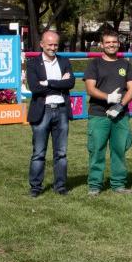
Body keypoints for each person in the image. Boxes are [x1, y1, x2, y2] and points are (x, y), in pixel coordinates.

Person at [84, 28, 132, 195]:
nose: (111, 45)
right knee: (97, 150)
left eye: (114, 42)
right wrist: (109, 98)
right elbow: (90, 89)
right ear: (102, 45)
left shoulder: (125, 64)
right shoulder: (94, 64)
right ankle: (94, 185)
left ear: (119, 44)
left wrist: (120, 105)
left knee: (119, 150)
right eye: (108, 42)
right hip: (98, 114)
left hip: (120, 115)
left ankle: (118, 184)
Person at [26, 30, 75, 197]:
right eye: (50, 45)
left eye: (55, 45)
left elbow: (71, 82)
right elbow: (34, 87)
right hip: (42, 111)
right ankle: (35, 187)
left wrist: (47, 82)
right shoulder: (33, 63)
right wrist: (60, 83)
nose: (53, 48)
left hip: (61, 110)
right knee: (39, 152)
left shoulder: (64, 61)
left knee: (61, 153)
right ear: (42, 44)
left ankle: (60, 186)